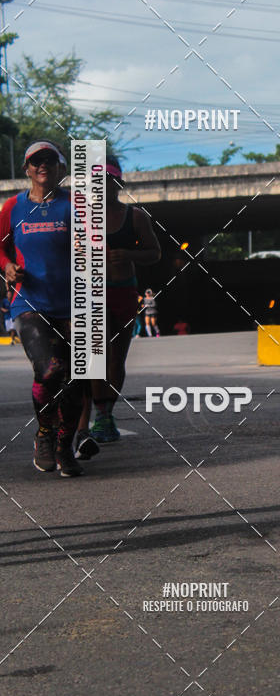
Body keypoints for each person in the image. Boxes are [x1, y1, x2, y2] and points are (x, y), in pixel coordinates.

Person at [0, 141, 85, 476]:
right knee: (49, 370)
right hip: (29, 302)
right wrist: (6, 267)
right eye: (36, 161)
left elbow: (94, 247)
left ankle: (65, 446)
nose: (43, 166)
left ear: (61, 167)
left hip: (75, 305)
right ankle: (45, 434)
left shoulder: (76, 206)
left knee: (78, 379)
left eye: (50, 160)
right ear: (27, 169)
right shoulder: (13, 207)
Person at [81, 157, 161, 446]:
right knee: (94, 356)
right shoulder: (82, 216)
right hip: (92, 293)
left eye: (108, 181)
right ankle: (92, 413)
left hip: (124, 291)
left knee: (116, 356)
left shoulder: (136, 216)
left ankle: (105, 413)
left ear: (118, 183)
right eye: (98, 183)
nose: (103, 188)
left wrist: (129, 254)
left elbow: (155, 253)